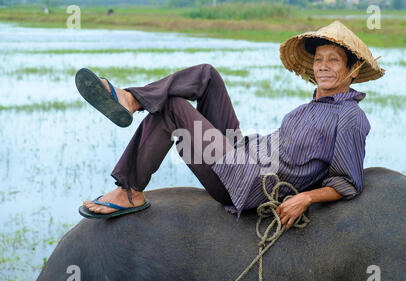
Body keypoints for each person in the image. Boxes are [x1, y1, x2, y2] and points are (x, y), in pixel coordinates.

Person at [77, 21, 385, 229]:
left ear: (353, 69)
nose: (323, 66)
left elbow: (347, 181)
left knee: (172, 109)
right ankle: (131, 99)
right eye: (319, 59)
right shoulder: (309, 107)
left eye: (333, 60)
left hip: (247, 180)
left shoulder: (350, 117)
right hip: (242, 151)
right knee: (207, 75)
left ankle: (129, 189)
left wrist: (305, 197)